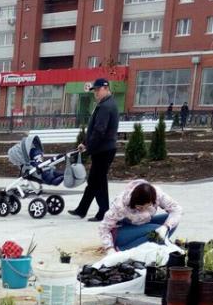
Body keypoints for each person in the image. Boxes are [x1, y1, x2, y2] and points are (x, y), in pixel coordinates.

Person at [69, 77, 119, 222]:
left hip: (103, 149)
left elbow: (99, 130)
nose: (95, 93)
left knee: (97, 182)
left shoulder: (105, 106)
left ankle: (103, 212)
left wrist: (89, 146)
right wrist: (85, 142)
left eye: (97, 90)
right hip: (104, 148)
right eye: (94, 90)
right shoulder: (107, 103)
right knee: (95, 181)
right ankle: (82, 209)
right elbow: (95, 130)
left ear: (105, 88)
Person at [96, 180, 182, 251]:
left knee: (170, 221)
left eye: (148, 206)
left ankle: (158, 242)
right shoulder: (120, 204)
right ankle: (122, 249)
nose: (143, 209)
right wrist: (109, 248)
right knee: (155, 230)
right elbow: (104, 227)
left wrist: (166, 227)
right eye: (139, 207)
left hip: (143, 224)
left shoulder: (157, 194)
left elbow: (176, 209)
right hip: (121, 231)